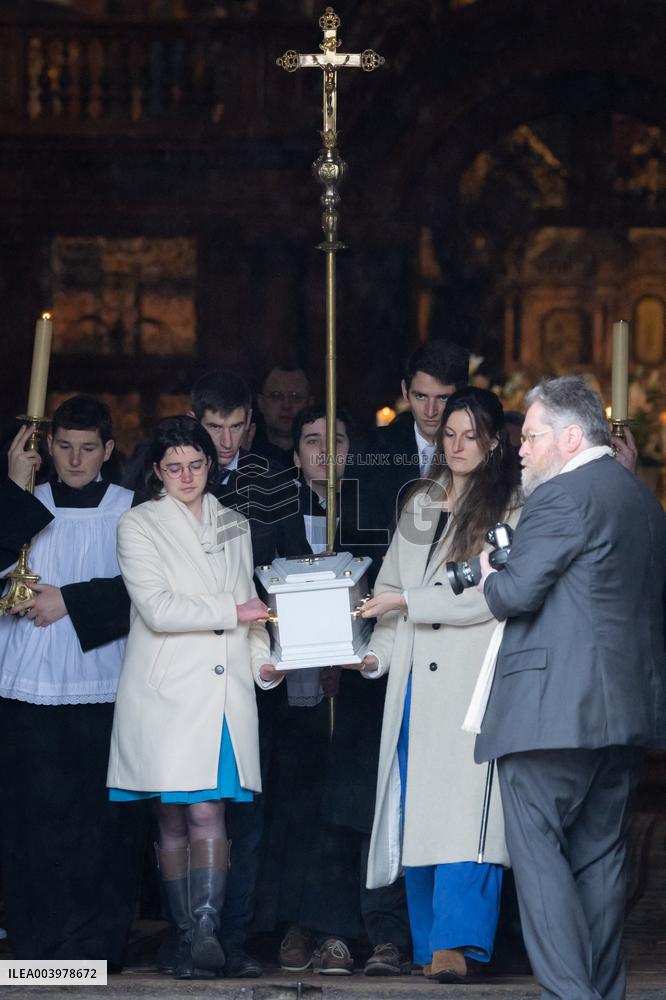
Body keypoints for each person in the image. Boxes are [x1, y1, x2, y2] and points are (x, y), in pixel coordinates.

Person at [475, 376, 666, 1000]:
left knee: (539, 859)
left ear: (572, 437)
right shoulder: (642, 501)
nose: (521, 449)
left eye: (532, 437)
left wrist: (488, 572)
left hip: (551, 714)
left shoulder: (561, 496)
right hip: (624, 714)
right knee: (601, 861)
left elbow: (514, 593)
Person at [106, 415, 282, 980]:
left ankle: (204, 931)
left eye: (196, 464)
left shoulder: (235, 523)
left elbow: (251, 606)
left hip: (224, 694)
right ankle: (186, 937)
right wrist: (234, 612)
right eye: (174, 467)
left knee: (208, 810)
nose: (186, 476)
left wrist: (264, 665)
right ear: (157, 472)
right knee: (170, 817)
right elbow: (157, 608)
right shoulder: (137, 524)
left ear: (211, 464)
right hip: (166, 694)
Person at [357, 386, 523, 983]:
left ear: (494, 441)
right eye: (449, 434)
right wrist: (372, 658)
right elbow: (388, 589)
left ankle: (459, 943)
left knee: (468, 813)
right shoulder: (421, 501)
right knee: (419, 809)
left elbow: (491, 595)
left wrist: (408, 601)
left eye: (470, 435)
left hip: (471, 679)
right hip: (412, 682)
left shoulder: (511, 507)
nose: (457, 446)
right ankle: (430, 945)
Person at [254, 405, 412, 977]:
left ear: (353, 450)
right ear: (294, 454)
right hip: (290, 686)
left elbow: (390, 592)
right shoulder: (272, 514)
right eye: (311, 440)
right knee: (299, 804)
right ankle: (299, 920)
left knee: (355, 804)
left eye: (337, 440)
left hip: (360, 681)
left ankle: (362, 928)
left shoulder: (376, 510)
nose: (324, 451)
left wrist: (349, 656)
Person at [0, 395, 145, 967]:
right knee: (33, 818)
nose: (75, 460)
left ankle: (95, 948)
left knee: (99, 822)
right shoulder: (25, 500)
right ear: (47, 447)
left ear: (108, 450)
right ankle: (37, 947)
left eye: (88, 448)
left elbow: (152, 589)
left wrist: (71, 601)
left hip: (103, 683)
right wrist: (14, 486)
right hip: (28, 683)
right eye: (64, 447)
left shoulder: (131, 508)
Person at [189, 369, 296, 978]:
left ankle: (235, 937)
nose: (225, 443)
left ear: (251, 425)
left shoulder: (272, 478)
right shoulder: (168, 475)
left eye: (236, 428)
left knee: (248, 806)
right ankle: (186, 935)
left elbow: (288, 568)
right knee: (182, 806)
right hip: (184, 668)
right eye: (214, 428)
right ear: (195, 423)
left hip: (254, 664)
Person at [362, 340, 469, 544]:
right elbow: (357, 536)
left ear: (461, 396)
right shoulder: (374, 449)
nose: (430, 411)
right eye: (420, 396)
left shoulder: (478, 450)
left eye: (443, 398)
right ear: (405, 390)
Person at [254, 364, 313, 468]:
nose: (286, 406)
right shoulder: (246, 454)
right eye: (276, 396)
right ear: (261, 403)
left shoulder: (321, 456)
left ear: (310, 403)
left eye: (295, 397)